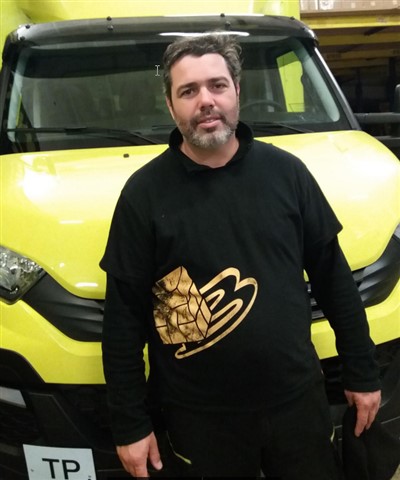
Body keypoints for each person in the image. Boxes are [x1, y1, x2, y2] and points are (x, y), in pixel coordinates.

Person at [100, 34, 381, 479]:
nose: (205, 101)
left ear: (237, 91)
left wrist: (362, 373)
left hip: (297, 404)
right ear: (171, 106)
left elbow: (335, 282)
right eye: (188, 91)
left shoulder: (287, 174)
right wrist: (130, 423)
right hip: (199, 419)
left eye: (217, 85)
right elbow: (123, 323)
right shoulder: (144, 195)